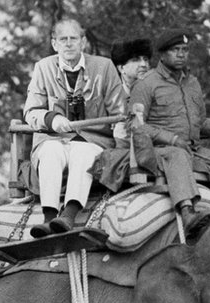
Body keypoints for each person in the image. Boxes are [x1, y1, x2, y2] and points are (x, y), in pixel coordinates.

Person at [128, 28, 210, 227]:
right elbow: (137, 126)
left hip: (192, 150)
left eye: (185, 49)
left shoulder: (193, 84)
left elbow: (202, 125)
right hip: (159, 152)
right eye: (175, 50)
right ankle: (188, 212)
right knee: (177, 154)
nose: (181, 54)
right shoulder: (147, 84)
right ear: (162, 54)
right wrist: (171, 139)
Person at [23, 18, 125, 237]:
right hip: (53, 140)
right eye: (63, 39)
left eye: (73, 38)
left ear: (83, 42)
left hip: (94, 141)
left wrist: (122, 144)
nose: (68, 44)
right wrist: (51, 119)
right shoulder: (43, 68)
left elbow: (119, 113)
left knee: (82, 151)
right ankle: (49, 218)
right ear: (54, 44)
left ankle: (68, 216)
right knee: (50, 151)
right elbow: (31, 112)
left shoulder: (104, 67)